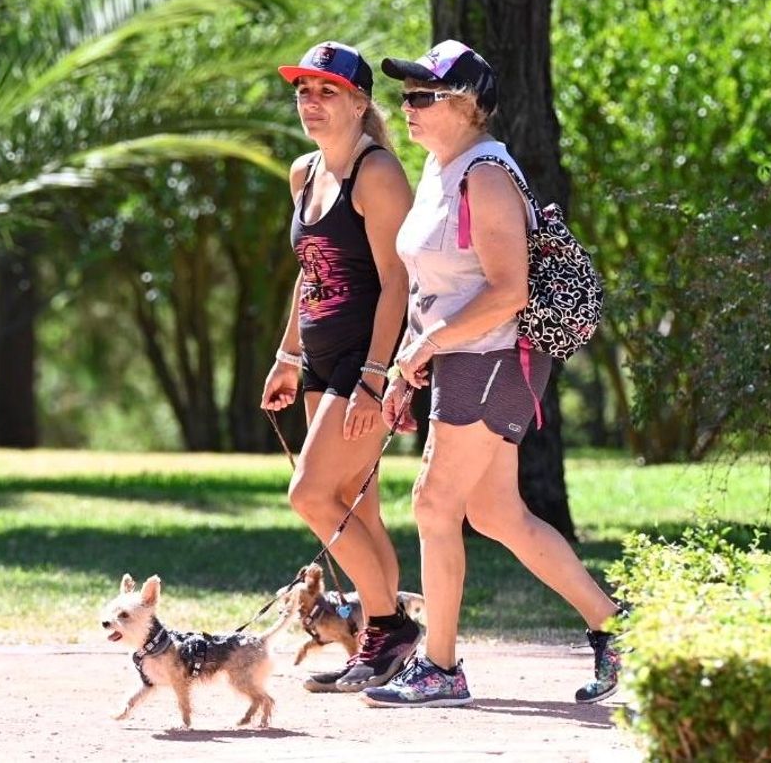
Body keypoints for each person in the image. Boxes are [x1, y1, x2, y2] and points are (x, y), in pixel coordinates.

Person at [361, 40, 624, 709]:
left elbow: (508, 291)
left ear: (469, 106)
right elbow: (435, 286)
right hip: (463, 358)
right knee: (496, 511)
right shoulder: (439, 169)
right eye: (407, 95)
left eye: (424, 96)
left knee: (432, 503)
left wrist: (422, 350)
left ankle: (442, 667)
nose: (408, 108)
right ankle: (620, 626)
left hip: (495, 356)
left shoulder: (485, 173)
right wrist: (412, 362)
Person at [261, 41, 421, 694]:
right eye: (304, 91)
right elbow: (312, 277)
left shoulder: (377, 174)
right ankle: (381, 646)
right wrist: (288, 355)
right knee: (362, 509)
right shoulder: (304, 173)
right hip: (321, 360)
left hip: (364, 361)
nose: (312, 103)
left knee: (310, 494)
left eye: (327, 91)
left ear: (360, 102)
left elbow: (398, 283)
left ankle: (389, 625)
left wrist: (376, 378)